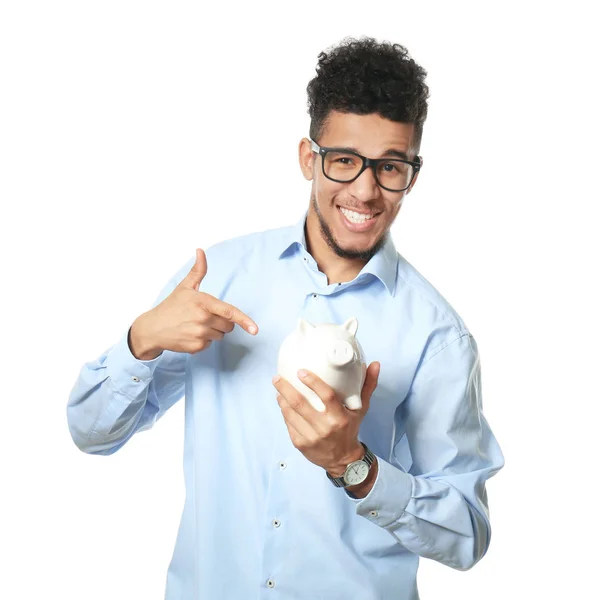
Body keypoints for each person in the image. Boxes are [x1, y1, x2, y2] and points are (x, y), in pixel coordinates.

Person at [67, 36, 505, 600]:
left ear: (412, 175)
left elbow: (467, 534)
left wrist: (355, 466)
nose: (366, 191)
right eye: (345, 161)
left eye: (390, 167)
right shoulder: (218, 278)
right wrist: (142, 340)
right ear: (308, 159)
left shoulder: (437, 335)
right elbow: (91, 434)